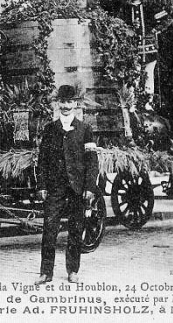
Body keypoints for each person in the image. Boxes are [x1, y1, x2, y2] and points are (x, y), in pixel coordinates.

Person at [34, 85, 98, 285]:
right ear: (57, 103)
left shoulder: (85, 129)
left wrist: (89, 187)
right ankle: (46, 273)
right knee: (49, 228)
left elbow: (92, 161)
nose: (66, 106)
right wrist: (42, 185)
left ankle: (73, 270)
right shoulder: (50, 129)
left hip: (77, 188)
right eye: (62, 102)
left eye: (70, 102)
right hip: (55, 188)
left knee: (76, 229)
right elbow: (42, 160)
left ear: (75, 104)